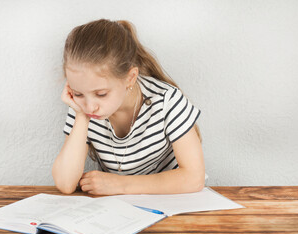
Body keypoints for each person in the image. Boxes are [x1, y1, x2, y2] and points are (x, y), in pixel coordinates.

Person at [52, 19, 205, 195]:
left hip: (173, 203)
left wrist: (120, 185)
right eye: (78, 93)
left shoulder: (166, 100)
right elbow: (65, 183)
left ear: (130, 78)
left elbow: (194, 178)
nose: (90, 106)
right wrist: (80, 117)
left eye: (101, 94)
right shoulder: (82, 107)